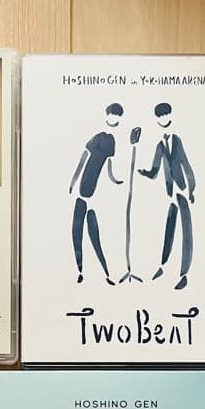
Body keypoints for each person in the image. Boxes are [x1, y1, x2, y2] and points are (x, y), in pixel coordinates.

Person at [139, 101, 196, 290]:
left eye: (165, 115)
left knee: (186, 231)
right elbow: (155, 170)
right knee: (170, 227)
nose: (163, 119)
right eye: (160, 116)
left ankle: (184, 274)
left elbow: (186, 164)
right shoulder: (159, 145)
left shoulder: (177, 140)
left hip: (182, 189)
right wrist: (144, 172)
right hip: (170, 191)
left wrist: (191, 189)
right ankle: (163, 266)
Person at [69, 102, 125, 284]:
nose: (114, 117)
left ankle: (106, 273)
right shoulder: (97, 137)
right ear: (107, 114)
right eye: (112, 114)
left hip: (95, 193)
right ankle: (80, 271)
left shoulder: (111, 141)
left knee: (95, 234)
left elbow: (109, 165)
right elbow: (82, 159)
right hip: (82, 191)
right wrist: (73, 181)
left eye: (117, 115)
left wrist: (115, 180)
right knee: (77, 231)